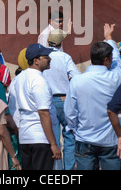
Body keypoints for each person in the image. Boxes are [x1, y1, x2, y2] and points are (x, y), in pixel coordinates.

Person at [64, 24, 121, 170]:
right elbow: (117, 58)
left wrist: (76, 129)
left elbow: (70, 113)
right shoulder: (115, 77)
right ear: (107, 60)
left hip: (84, 139)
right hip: (110, 141)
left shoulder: (77, 80)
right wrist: (109, 37)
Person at [13, 43, 62, 170]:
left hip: (25, 137)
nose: (50, 59)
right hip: (40, 138)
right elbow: (43, 113)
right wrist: (53, 144)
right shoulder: (39, 81)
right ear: (36, 61)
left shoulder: (20, 78)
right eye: (46, 57)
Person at [43, 28, 80, 170]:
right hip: (65, 100)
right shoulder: (65, 57)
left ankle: (56, 170)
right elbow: (76, 77)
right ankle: (69, 169)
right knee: (70, 137)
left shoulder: (43, 57)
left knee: (54, 138)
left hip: (49, 101)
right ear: (61, 42)